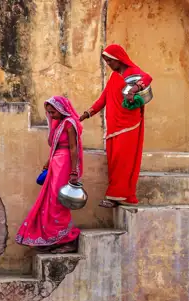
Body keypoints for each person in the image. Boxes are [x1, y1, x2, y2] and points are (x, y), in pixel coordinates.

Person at [80, 44, 153, 208]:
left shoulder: (132, 72)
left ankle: (115, 196)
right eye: (106, 61)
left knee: (123, 161)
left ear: (118, 59)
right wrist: (85, 115)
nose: (108, 64)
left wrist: (133, 89)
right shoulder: (113, 77)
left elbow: (147, 78)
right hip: (113, 127)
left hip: (129, 125)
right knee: (114, 162)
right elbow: (103, 99)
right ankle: (120, 195)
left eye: (110, 61)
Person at [15, 96, 82, 253]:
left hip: (65, 163)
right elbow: (56, 146)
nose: (51, 115)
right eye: (49, 112)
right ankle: (53, 238)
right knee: (50, 201)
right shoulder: (58, 124)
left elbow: (73, 148)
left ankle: (68, 238)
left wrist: (74, 171)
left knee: (58, 202)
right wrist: (49, 161)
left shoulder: (69, 123)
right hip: (56, 162)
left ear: (61, 109)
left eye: (53, 112)